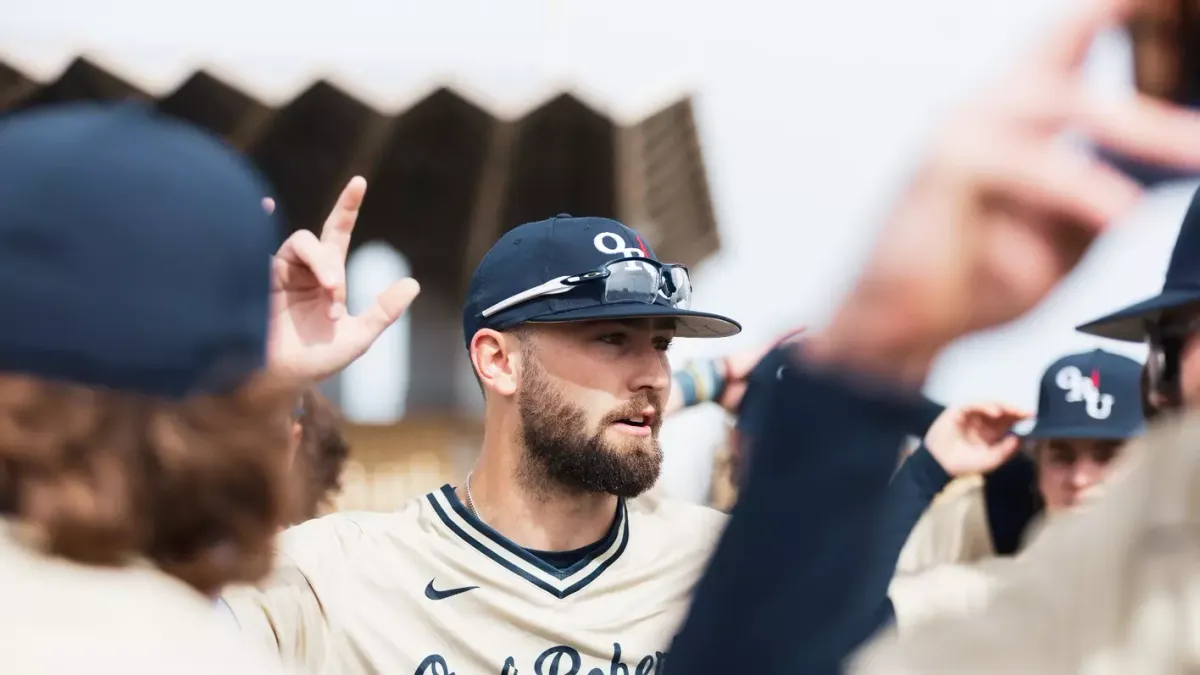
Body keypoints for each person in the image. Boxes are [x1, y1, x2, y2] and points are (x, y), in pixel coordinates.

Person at [666, 0, 1200, 671]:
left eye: (1108, 452)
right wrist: (869, 361)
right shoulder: (1112, 582)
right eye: (1175, 344)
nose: (1082, 478)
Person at [221, 214, 742, 673]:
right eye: (612, 338)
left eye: (661, 344)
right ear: (497, 361)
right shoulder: (332, 576)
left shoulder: (722, 565)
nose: (654, 373)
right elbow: (154, 622)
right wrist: (251, 381)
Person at [889, 349, 1145, 631]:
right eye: (1062, 456)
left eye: (1108, 456)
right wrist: (924, 473)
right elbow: (853, 617)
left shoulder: (1180, 585)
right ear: (1038, 469)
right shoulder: (989, 593)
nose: (1080, 478)